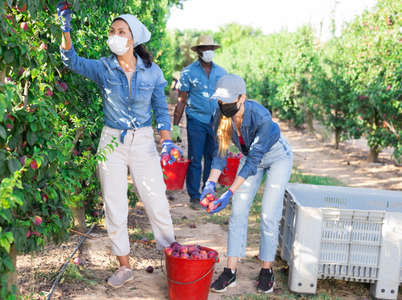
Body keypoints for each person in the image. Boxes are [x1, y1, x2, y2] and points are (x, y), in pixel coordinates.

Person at [57, 3, 181, 288]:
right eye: (112, 31)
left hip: (143, 141)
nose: (114, 35)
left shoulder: (151, 71)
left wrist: (166, 141)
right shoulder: (104, 67)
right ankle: (124, 265)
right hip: (112, 139)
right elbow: (71, 61)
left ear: (132, 38)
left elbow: (161, 110)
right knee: (114, 203)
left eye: (120, 31)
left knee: (156, 200)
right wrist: (65, 30)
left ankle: (173, 259)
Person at [200, 74, 293, 294]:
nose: (224, 106)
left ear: (242, 98)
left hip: (277, 156)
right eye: (221, 102)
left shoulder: (261, 117)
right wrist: (210, 184)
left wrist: (228, 193)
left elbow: (252, 163)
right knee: (237, 213)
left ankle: (266, 269)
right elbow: (220, 153)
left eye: (229, 101)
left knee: (269, 214)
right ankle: (230, 271)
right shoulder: (221, 115)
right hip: (250, 156)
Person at [172, 35, 227, 209]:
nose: (208, 51)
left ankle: (208, 191)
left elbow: (226, 99)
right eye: (204, 48)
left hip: (215, 120)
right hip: (196, 119)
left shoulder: (221, 72)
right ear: (198, 52)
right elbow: (181, 100)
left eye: (210, 48)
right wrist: (175, 126)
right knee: (196, 158)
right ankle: (194, 196)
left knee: (212, 157)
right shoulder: (188, 73)